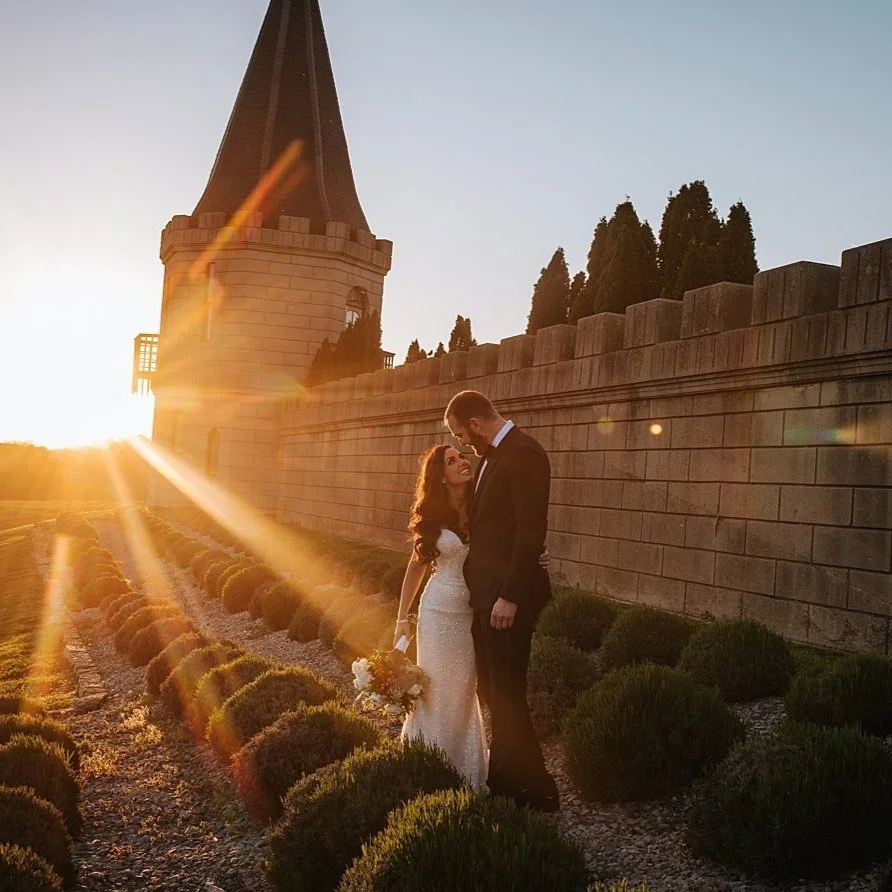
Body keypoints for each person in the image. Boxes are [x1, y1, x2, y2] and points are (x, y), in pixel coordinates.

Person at [393, 444, 550, 791]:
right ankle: (427, 765)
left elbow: (513, 540)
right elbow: (416, 567)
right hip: (437, 611)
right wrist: (402, 618)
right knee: (436, 689)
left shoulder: (483, 505)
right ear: (440, 476)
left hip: (474, 610)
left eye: (462, 456)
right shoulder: (433, 517)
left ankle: (466, 770)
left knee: (465, 689)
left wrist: (534, 560)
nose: (462, 462)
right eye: (451, 461)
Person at [444, 389, 560, 813]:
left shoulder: (524, 453)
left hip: (507, 600)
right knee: (494, 691)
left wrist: (509, 596)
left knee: (507, 691)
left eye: (461, 434)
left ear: (475, 423)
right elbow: (494, 528)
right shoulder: (492, 457)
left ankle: (531, 789)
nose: (463, 443)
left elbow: (530, 532)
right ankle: (516, 781)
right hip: (487, 596)